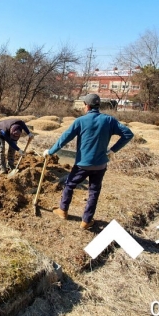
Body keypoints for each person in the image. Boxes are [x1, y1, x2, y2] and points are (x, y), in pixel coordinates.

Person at [43, 93, 134, 230]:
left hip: (82, 164)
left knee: (69, 184)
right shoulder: (109, 120)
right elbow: (128, 134)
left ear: (87, 106)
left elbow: (64, 139)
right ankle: (86, 221)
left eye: (84, 105)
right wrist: (113, 150)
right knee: (94, 191)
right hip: (100, 164)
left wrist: (50, 151)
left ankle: (63, 210)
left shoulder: (80, 121)